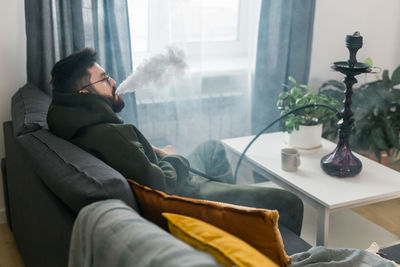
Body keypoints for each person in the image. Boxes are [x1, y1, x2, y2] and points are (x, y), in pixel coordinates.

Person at [47, 48, 304, 235]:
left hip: (172, 173)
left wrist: (155, 151)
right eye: (104, 79)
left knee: (212, 147)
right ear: (83, 92)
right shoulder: (104, 132)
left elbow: (132, 157)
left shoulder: (72, 121)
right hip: (186, 193)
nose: (113, 82)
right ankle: (230, 214)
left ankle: (235, 220)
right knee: (290, 202)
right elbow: (160, 184)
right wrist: (171, 156)